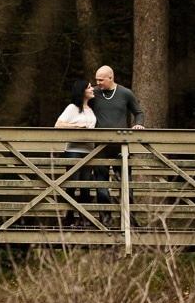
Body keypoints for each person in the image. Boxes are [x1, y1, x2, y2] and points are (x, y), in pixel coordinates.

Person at [93, 65, 145, 226]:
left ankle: (129, 220)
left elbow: (138, 112)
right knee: (101, 185)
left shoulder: (125, 93)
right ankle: (105, 220)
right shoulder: (93, 93)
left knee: (125, 183)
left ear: (110, 77)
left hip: (120, 146)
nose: (98, 83)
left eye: (101, 80)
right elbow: (80, 106)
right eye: (96, 80)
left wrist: (138, 125)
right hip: (100, 146)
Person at [55, 79, 96, 226]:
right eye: (89, 87)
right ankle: (69, 218)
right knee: (72, 184)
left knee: (85, 186)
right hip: (73, 150)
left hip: (89, 151)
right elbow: (58, 124)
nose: (93, 89)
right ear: (82, 91)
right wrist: (77, 126)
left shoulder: (92, 108)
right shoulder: (72, 108)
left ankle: (84, 219)